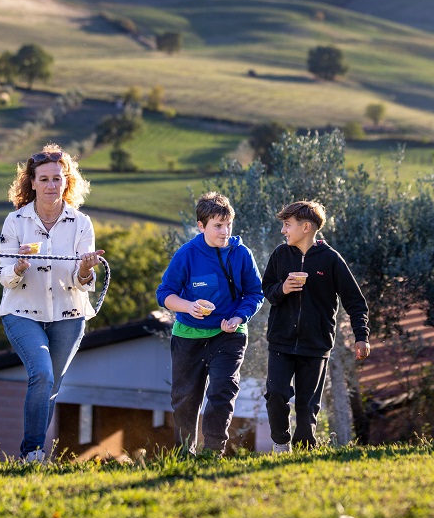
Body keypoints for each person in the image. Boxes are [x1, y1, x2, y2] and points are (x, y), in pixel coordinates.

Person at [0, 144, 105, 463]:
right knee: (42, 374)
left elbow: (82, 280)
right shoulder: (15, 222)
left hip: (69, 314)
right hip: (21, 313)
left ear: (66, 181)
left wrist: (84, 269)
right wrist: (17, 268)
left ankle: (35, 455)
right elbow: (5, 276)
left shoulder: (81, 223)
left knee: (52, 385)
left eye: (57, 179)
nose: (50, 186)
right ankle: (31, 452)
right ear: (31, 182)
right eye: (43, 179)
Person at [156, 192, 264, 455]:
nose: (225, 231)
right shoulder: (187, 254)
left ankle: (213, 451)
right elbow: (165, 294)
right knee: (185, 398)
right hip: (189, 335)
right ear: (201, 226)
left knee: (222, 390)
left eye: (228, 224)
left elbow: (255, 293)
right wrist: (188, 307)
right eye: (218, 225)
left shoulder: (242, 254)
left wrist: (239, 317)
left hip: (230, 333)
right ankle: (185, 452)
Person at [261, 200, 370, 453]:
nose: (283, 230)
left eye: (287, 225)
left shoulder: (331, 260)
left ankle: (304, 454)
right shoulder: (280, 254)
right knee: (276, 394)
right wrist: (283, 289)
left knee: (307, 406)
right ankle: (280, 443)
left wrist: (361, 336)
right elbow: (267, 290)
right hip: (281, 341)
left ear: (306, 227)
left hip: (316, 344)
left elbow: (355, 301)